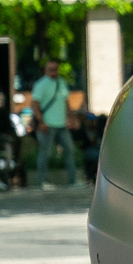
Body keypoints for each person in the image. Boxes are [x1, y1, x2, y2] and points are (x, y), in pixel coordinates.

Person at [29, 59, 79, 187]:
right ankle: (43, 181)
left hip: (61, 124)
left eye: (55, 69)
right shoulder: (41, 84)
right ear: (46, 71)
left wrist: (71, 118)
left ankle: (73, 180)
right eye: (51, 69)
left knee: (69, 150)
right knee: (45, 153)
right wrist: (41, 121)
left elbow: (66, 102)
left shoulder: (61, 82)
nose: (54, 72)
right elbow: (34, 105)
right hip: (48, 124)